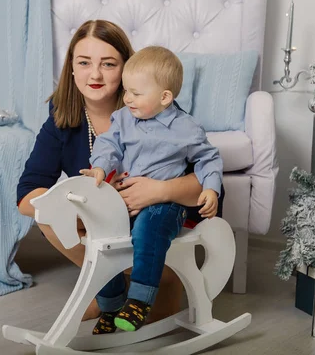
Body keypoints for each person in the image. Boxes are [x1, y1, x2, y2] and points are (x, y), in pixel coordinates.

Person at [16, 20, 224, 325]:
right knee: (49, 212)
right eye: (84, 62)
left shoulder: (156, 108)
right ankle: (106, 287)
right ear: (71, 68)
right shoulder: (62, 116)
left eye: (109, 64)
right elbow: (27, 194)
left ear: (126, 68)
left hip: (158, 217)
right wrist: (84, 214)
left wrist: (159, 190)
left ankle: (147, 287)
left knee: (156, 309)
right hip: (109, 223)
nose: (95, 74)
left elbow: (208, 176)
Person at [80, 46, 223, 334]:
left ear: (165, 97)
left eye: (136, 93)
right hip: (128, 201)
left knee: (148, 229)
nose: (127, 98)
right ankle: (111, 304)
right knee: (100, 233)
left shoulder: (187, 128)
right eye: (126, 91)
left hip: (165, 206)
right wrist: (100, 166)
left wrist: (211, 189)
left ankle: (140, 301)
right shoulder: (122, 119)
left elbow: (209, 159)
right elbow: (108, 145)